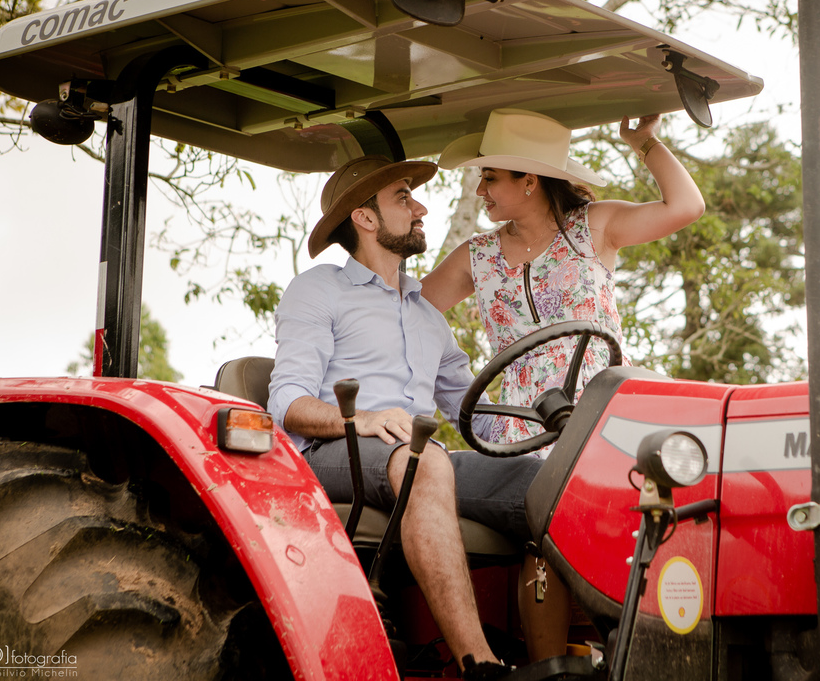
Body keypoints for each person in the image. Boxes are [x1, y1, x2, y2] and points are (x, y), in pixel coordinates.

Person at [266, 155, 566, 678]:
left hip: (414, 456)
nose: (421, 207)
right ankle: (482, 665)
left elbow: (475, 413)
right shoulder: (319, 291)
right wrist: (358, 419)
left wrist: (548, 436)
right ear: (364, 218)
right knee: (423, 463)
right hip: (334, 456)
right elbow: (286, 405)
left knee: (551, 486)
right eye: (404, 197)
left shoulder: (427, 315)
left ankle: (560, 662)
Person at [421, 108, 705, 448]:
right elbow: (408, 311)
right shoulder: (478, 255)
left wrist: (645, 142)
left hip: (605, 407)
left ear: (528, 180)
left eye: (490, 177)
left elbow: (687, 206)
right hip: (520, 425)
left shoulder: (593, 225)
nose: (481, 189)